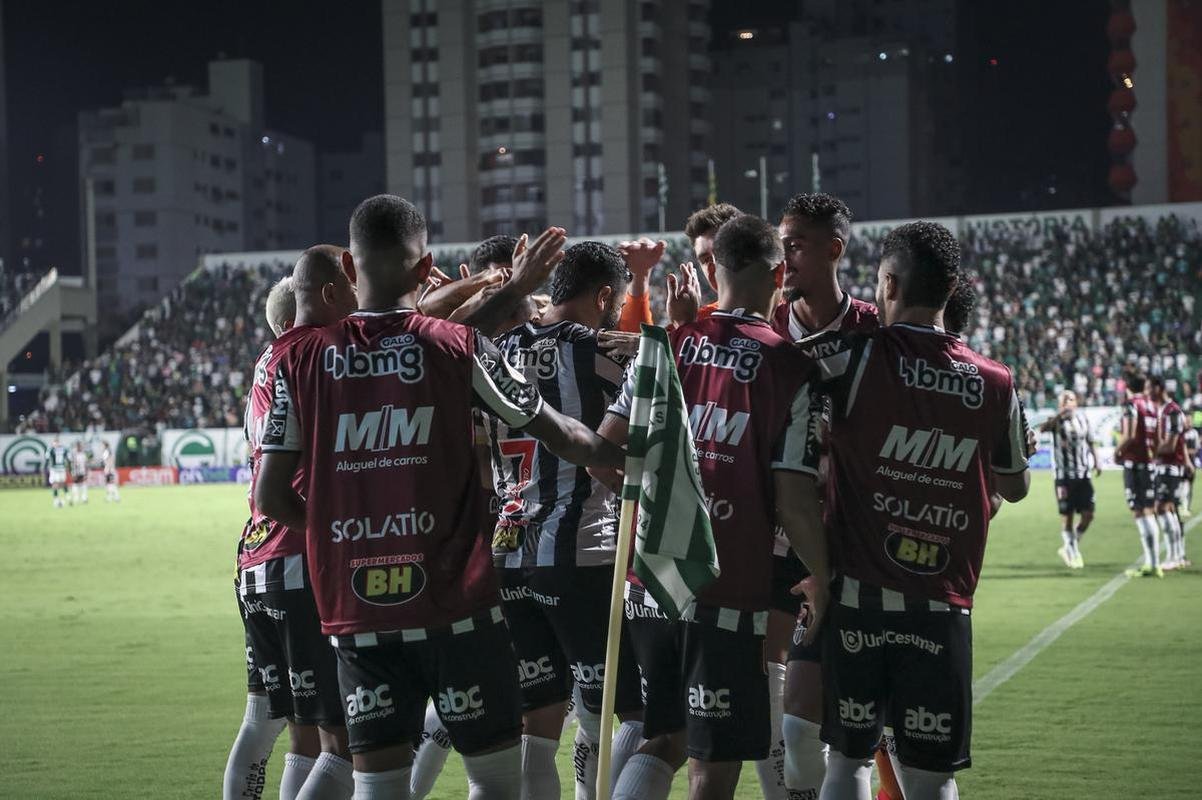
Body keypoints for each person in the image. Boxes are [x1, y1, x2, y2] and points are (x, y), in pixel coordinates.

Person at [254, 195, 624, 800]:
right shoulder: (459, 349)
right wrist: (631, 459)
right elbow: (566, 436)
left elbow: (271, 496)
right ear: (427, 270)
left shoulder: (300, 361)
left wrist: (341, 532)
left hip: (358, 609)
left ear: (350, 267)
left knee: (379, 786)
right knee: (497, 781)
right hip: (457, 607)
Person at [598, 213, 830, 800]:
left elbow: (604, 452)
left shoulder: (665, 347)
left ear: (716, 269)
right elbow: (795, 499)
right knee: (715, 765)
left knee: (664, 739)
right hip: (726, 590)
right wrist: (822, 577)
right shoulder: (793, 368)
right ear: (778, 272)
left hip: (649, 580)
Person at [801, 221, 1030, 800]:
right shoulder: (996, 382)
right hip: (942, 606)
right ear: (951, 292)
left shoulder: (849, 359)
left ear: (889, 284)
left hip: (856, 598)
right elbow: (1016, 484)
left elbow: (772, 368)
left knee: (848, 762)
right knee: (931, 777)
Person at [484, 241, 645, 800]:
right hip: (579, 553)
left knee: (539, 725)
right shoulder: (594, 348)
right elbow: (664, 386)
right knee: (636, 714)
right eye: (617, 303)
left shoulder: (498, 346)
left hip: (508, 556)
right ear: (604, 295)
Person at [224, 245, 359, 800]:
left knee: (281, 726)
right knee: (343, 741)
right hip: (300, 559)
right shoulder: (314, 354)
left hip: (255, 557)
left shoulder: (267, 362)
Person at [772, 193, 882, 800]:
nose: (784, 256)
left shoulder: (875, 332)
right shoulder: (766, 326)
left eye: (797, 244)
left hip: (861, 548)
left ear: (834, 249)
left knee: (860, 732)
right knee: (792, 719)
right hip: (785, 543)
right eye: (781, 242)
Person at [1037, 390, 1101, 569]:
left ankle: (1070, 545)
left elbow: (1090, 441)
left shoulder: (1083, 419)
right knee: (1068, 517)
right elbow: (1042, 429)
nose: (1068, 403)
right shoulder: (1056, 421)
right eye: (1064, 400)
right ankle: (1072, 550)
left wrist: (1097, 461)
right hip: (1063, 477)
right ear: (1059, 404)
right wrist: (1059, 414)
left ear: (1076, 403)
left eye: (1071, 400)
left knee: (1089, 514)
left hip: (1082, 475)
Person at [1118, 375, 1164, 577]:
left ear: (1127, 388)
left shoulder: (1131, 404)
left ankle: (1151, 563)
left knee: (1139, 512)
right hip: (1149, 463)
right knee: (1148, 510)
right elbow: (1157, 438)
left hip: (1134, 464)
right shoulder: (1152, 405)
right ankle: (1155, 563)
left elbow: (1129, 435)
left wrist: (1116, 451)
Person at [1148, 376, 1189, 569]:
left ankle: (1173, 557)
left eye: (1150, 388)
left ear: (1158, 388)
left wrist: (1148, 450)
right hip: (1164, 466)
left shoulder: (1172, 412)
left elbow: (1171, 446)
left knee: (1161, 508)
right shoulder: (1162, 410)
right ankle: (1178, 554)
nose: (1147, 392)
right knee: (1169, 509)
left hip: (1169, 466)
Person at [45, 438, 69, 507]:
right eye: (55, 443)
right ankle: (56, 499)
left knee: (62, 483)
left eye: (57, 442)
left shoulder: (62, 449)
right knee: (55, 483)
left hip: (61, 469)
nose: (56, 444)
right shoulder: (51, 450)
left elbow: (46, 457)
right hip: (54, 469)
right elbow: (47, 457)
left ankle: (67, 496)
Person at [69, 440, 90, 505]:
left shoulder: (83, 454)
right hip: (76, 472)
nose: (80, 447)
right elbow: (71, 464)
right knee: (76, 485)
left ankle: (84, 498)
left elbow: (85, 464)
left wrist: (86, 472)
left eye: (80, 446)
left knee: (83, 484)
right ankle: (76, 498)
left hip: (82, 471)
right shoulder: (73, 454)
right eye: (79, 446)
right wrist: (72, 473)